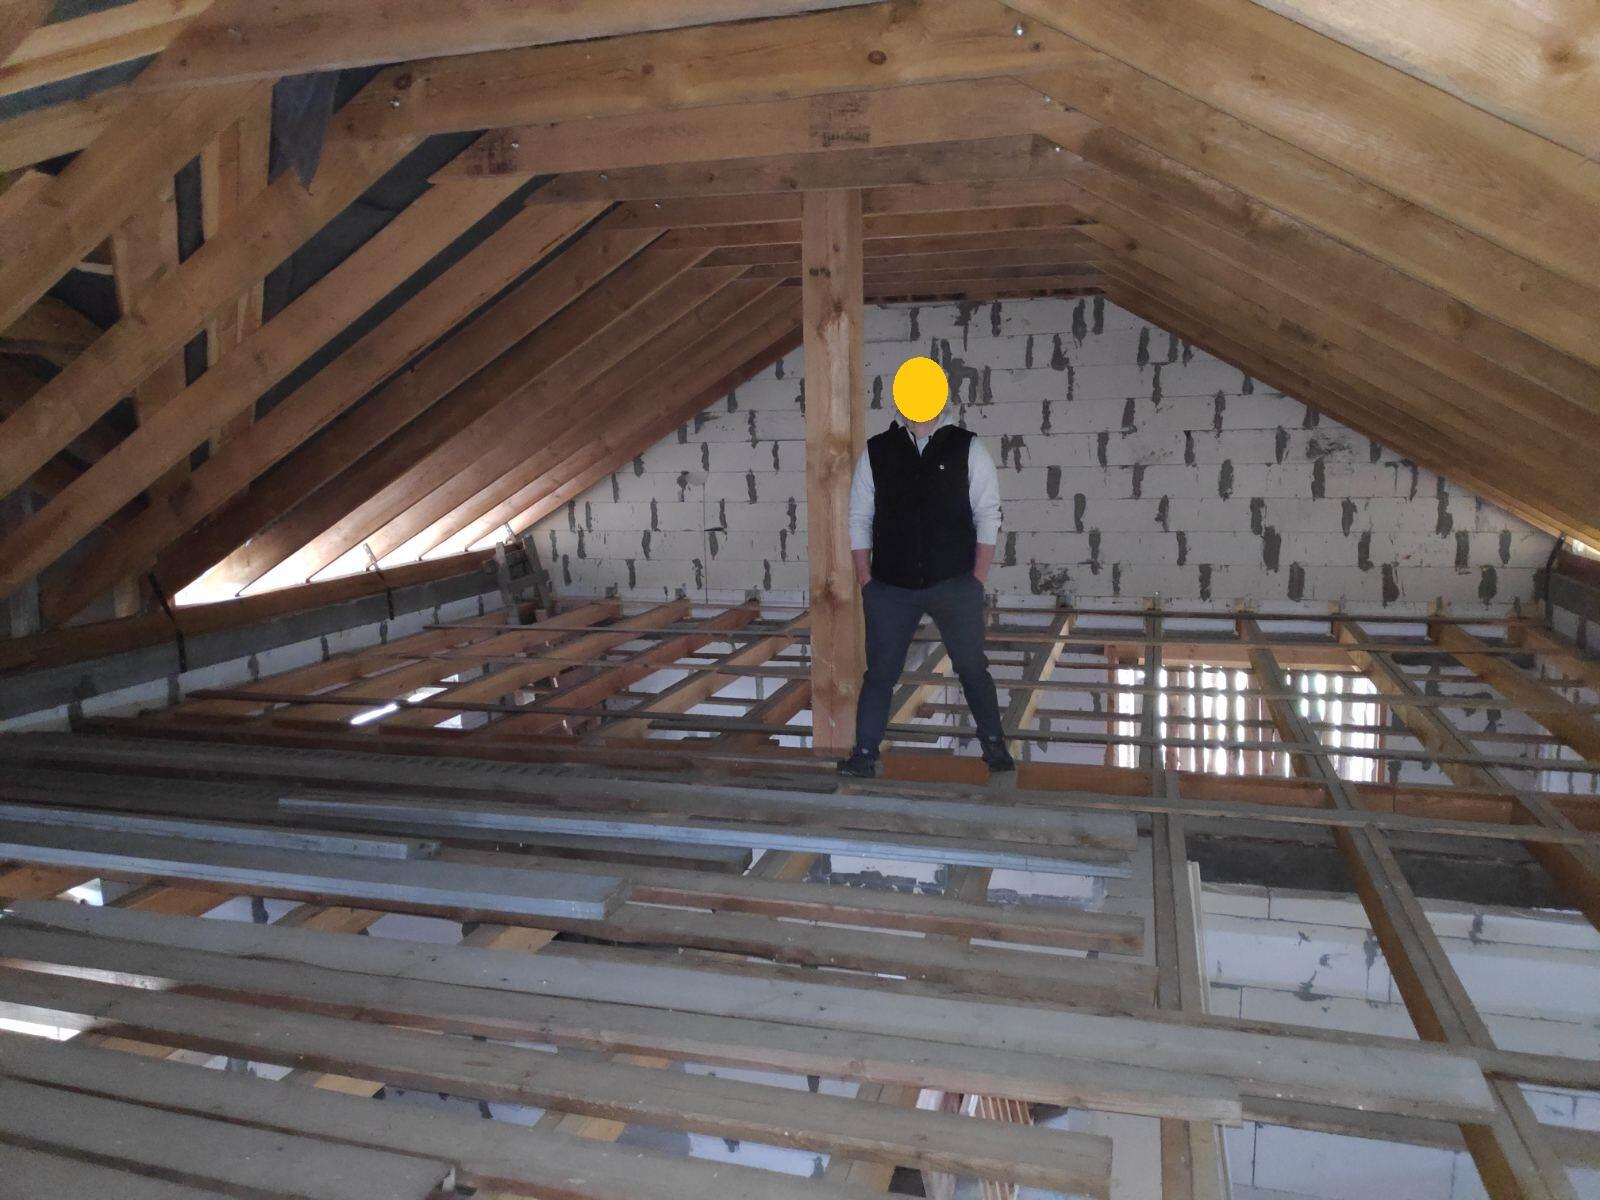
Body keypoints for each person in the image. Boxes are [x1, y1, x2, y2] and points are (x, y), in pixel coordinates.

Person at [836, 356, 1014, 778]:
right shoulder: (878, 451)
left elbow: (988, 514)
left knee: (972, 667)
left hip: (954, 582)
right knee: (880, 673)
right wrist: (866, 579)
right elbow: (859, 517)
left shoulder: (967, 448)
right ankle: (865, 754)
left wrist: (977, 579)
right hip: (890, 587)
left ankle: (994, 746)